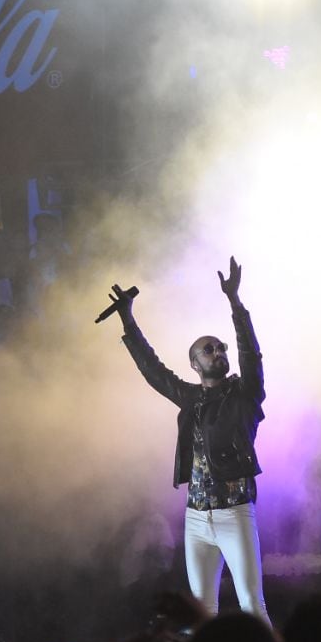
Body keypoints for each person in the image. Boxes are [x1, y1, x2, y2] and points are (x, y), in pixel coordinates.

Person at [108, 256, 268, 621]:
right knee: (202, 612)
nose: (219, 352)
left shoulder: (244, 394)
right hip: (196, 518)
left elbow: (251, 356)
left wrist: (235, 304)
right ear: (195, 364)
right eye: (209, 349)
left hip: (234, 512)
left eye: (221, 348)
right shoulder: (191, 397)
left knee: (252, 605)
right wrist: (128, 320)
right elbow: (153, 370)